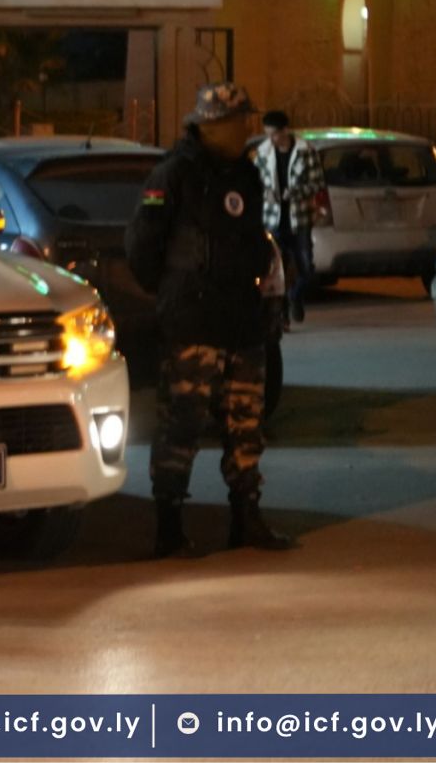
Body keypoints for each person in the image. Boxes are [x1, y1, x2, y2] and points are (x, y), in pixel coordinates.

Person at [125, 82, 294, 558]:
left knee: (246, 423)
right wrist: (174, 292)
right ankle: (169, 526)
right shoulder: (174, 174)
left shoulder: (247, 175)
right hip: (192, 322)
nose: (247, 129)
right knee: (181, 423)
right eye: (239, 121)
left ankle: (247, 517)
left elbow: (255, 239)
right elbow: (141, 246)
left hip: (242, 319)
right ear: (212, 125)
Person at [253, 109, 325, 324]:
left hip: (299, 219)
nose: (272, 139)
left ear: (285, 130)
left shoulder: (305, 151)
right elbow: (255, 182)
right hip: (273, 219)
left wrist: (294, 193)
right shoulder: (263, 152)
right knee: (278, 270)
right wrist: (266, 193)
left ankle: (295, 296)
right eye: (268, 134)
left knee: (306, 267)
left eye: (275, 134)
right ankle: (282, 313)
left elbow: (317, 183)